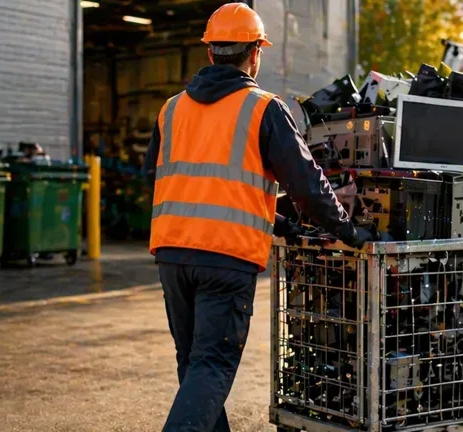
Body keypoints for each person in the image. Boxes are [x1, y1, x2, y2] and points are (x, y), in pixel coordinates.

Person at [142, 3, 373, 431]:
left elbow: (160, 180)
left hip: (172, 256)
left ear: (210, 53)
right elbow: (307, 185)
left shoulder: (170, 109)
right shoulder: (263, 108)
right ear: (255, 54)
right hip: (225, 261)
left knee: (194, 366)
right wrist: (348, 230)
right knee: (210, 367)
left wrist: (274, 222)